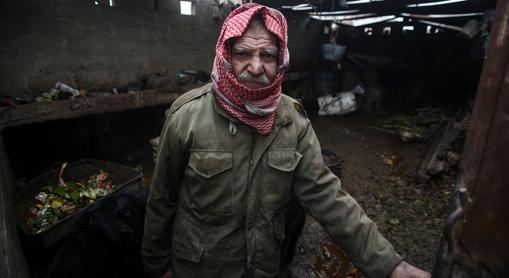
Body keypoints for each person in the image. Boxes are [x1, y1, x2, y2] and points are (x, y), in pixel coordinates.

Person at [142, 3, 431, 278]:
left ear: (280, 60)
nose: (256, 67)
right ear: (226, 55)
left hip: (263, 268)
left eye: (267, 56)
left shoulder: (292, 121)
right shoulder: (187, 116)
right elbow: (162, 198)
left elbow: (327, 196)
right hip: (199, 268)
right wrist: (158, 265)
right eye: (244, 54)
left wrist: (389, 266)